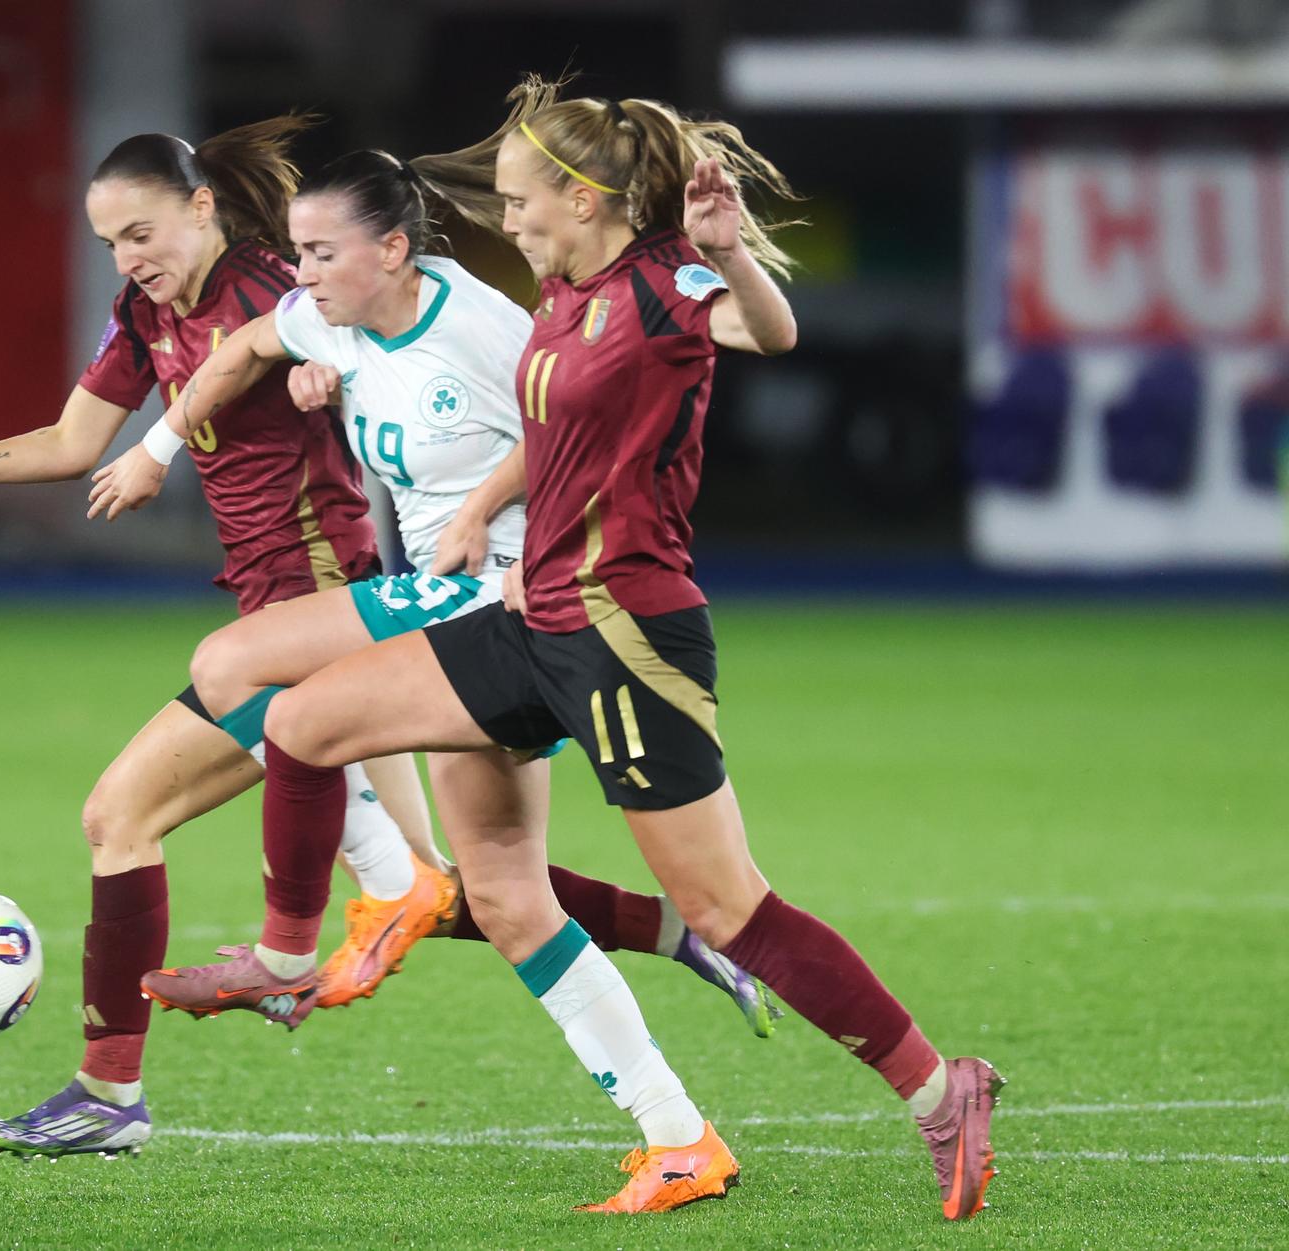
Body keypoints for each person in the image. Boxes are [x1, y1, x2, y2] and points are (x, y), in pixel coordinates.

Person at [150, 81, 1005, 1221]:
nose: (507, 222)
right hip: (529, 615)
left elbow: (769, 331)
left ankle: (940, 1091)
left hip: (626, 637)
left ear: (586, 199)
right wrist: (467, 500)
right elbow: (541, 436)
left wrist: (728, 253)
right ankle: (290, 959)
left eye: (520, 201)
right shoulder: (560, 290)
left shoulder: (665, 286)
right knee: (304, 728)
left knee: (727, 908)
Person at [0, 118, 775, 1163]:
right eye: (111, 244)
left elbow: (392, 353)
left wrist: (328, 384)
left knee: (145, 815)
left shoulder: (285, 288)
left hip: (338, 607)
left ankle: (121, 1082)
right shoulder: (154, 311)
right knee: (469, 887)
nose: (128, 262)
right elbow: (77, 444)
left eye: (140, 234)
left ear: (203, 207)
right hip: (304, 615)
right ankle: (681, 938)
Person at [90, 143, 778, 1041]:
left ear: (390, 249)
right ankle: (677, 1067)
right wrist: (159, 446)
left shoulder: (484, 323)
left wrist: (481, 511)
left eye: (318, 255)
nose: (299, 276)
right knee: (500, 895)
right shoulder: (331, 315)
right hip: (441, 591)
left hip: (508, 593)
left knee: (233, 675)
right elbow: (253, 347)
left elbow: (565, 421)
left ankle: (283, 959)